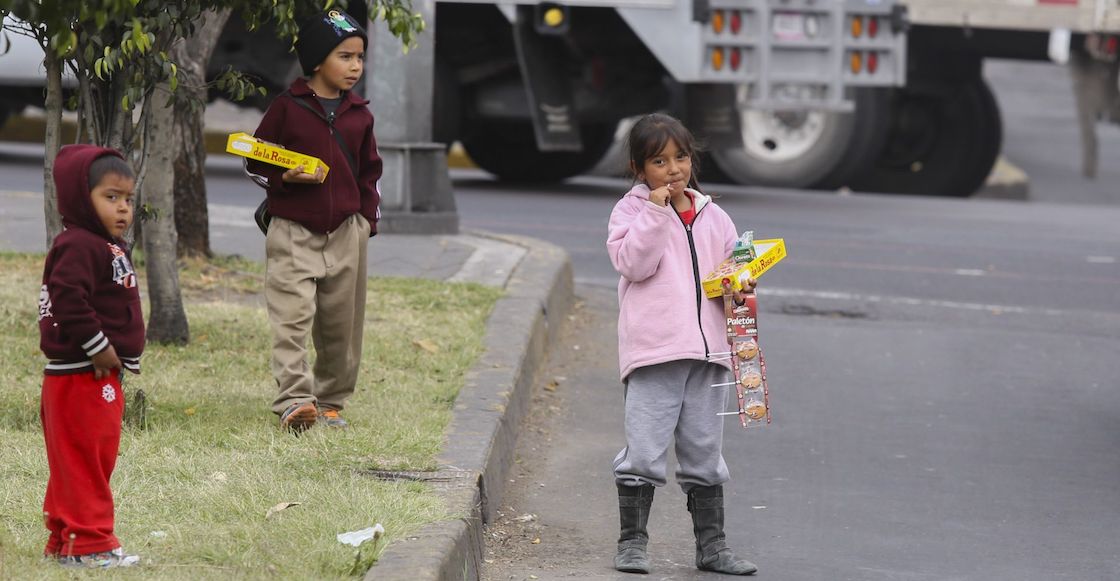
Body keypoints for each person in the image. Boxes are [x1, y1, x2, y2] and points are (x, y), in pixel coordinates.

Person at [606, 113, 758, 576]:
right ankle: (632, 543)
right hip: (655, 354)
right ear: (638, 168)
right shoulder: (630, 213)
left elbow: (735, 271)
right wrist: (655, 212)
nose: (673, 169)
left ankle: (712, 548)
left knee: (705, 452)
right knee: (645, 450)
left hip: (710, 356)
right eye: (659, 161)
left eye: (681, 157)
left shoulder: (716, 215)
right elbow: (634, 264)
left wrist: (743, 284)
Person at [245, 9, 383, 431]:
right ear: (317, 60)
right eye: (345, 56)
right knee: (291, 318)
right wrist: (283, 176)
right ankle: (295, 401)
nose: (355, 66)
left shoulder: (360, 114)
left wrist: (365, 224)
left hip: (346, 231)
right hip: (292, 229)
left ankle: (330, 400)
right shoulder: (287, 108)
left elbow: (370, 173)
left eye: (360, 57)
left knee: (341, 325)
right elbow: (256, 159)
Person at [38, 144, 143, 568]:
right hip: (83, 373)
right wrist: (100, 349)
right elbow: (68, 299)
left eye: (128, 199)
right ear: (83, 198)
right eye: (110, 197)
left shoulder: (100, 243)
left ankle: (66, 539)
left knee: (80, 460)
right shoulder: (79, 244)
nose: (122, 209)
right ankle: (92, 543)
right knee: (86, 462)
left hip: (84, 375)